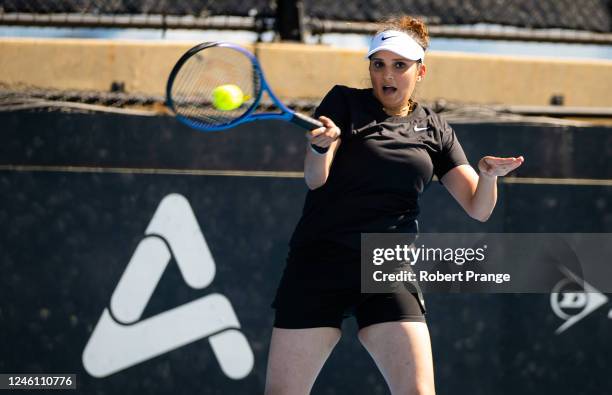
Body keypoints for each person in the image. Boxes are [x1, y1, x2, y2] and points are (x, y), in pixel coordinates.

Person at [264, 15, 524, 395]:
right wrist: (320, 146)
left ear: (420, 72)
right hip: (321, 261)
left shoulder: (436, 130)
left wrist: (486, 176)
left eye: (399, 65)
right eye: (378, 64)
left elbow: (478, 208)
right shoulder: (343, 102)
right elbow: (315, 178)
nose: (387, 74)